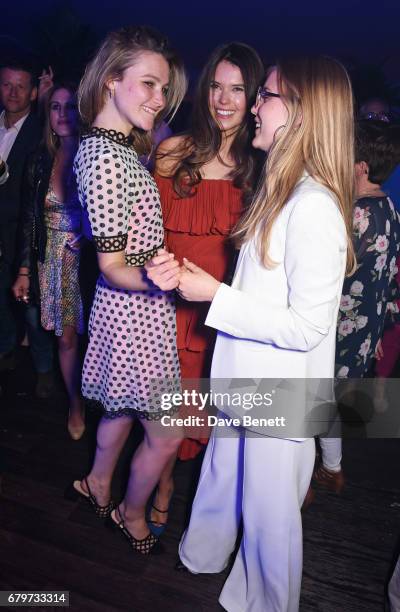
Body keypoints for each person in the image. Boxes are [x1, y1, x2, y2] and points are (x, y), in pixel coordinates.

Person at [168, 56, 356, 611]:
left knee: (272, 523)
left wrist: (214, 296)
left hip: (282, 394)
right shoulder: (284, 189)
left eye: (265, 95)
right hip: (250, 380)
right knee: (223, 478)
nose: (253, 105)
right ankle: (202, 559)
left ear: (300, 113)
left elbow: (307, 329)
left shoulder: (314, 205)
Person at [70, 25, 187, 555]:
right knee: (167, 433)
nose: (158, 100)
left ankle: (98, 482)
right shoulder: (103, 157)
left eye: (163, 89)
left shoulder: (114, 147)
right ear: (112, 80)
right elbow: (113, 264)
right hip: (133, 308)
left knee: (118, 410)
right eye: (147, 84)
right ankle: (130, 511)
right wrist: (167, 277)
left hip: (134, 309)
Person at [150, 42, 264, 534]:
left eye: (237, 89)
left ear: (255, 96)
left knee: (201, 417)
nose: (223, 99)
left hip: (219, 317)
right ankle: (161, 488)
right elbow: (145, 235)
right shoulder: (174, 151)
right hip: (161, 308)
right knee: (160, 416)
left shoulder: (261, 167)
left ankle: (192, 497)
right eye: (216, 85)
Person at [313, 121, 400, 496]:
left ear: (361, 167)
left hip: (340, 327)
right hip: (363, 329)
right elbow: (390, 279)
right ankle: (329, 468)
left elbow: (329, 273)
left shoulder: (355, 215)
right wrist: (380, 330)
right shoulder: (390, 209)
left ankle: (315, 476)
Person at [12, 83, 86, 440]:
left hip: (88, 265)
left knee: (95, 342)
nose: (61, 115)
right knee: (65, 340)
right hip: (51, 262)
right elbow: (29, 217)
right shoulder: (39, 158)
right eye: (54, 107)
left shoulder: (94, 157)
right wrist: (24, 270)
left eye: (69, 107)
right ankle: (75, 402)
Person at [0, 59, 54, 396]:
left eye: (21, 86)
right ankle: (5, 350)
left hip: (24, 232)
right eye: (7, 84)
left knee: (32, 308)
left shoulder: (39, 133)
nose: (13, 92)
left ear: (33, 93)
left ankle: (44, 369)